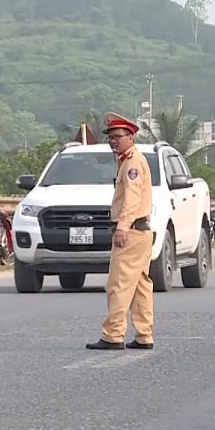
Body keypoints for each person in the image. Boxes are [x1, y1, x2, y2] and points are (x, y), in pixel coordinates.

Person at [86, 112, 155, 351]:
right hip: (141, 231)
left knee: (119, 283)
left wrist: (123, 227)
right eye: (110, 137)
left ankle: (113, 334)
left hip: (132, 230)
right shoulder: (127, 160)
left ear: (131, 137)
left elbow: (132, 199)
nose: (113, 141)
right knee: (139, 285)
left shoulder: (132, 163)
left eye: (118, 136)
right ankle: (144, 334)